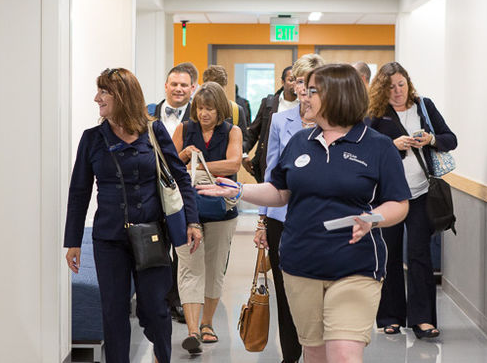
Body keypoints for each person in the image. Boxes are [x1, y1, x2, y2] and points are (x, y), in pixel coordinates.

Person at [198, 64, 411, 363]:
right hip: (301, 264)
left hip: (355, 265)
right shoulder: (301, 141)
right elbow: (280, 192)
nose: (303, 96)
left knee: (344, 355)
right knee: (314, 353)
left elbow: (399, 203)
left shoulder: (377, 146)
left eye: (312, 91)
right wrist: (239, 190)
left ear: (338, 96)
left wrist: (372, 218)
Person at [64, 68, 202, 363]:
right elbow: (79, 192)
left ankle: (162, 357)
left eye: (104, 92)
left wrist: (192, 221)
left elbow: (179, 177)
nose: (96, 98)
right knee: (113, 312)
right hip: (109, 239)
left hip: (151, 234)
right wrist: (73, 241)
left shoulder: (154, 132)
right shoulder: (92, 139)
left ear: (123, 97)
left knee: (155, 310)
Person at [366, 61, 457, 339]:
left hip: (421, 193)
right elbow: (365, 148)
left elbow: (450, 139)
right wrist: (391, 146)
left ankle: (422, 319)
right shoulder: (376, 115)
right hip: (390, 196)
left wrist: (430, 139)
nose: (397, 91)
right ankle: (390, 316)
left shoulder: (424, 107)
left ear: (409, 83)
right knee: (390, 255)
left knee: (419, 255)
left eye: (401, 84)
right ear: (382, 90)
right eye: (391, 87)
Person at [252, 55, 323, 363]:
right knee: (285, 291)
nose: (304, 92)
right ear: (293, 85)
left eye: (312, 86)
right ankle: (291, 356)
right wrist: (262, 221)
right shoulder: (281, 120)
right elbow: (271, 172)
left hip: (322, 221)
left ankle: (318, 353)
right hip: (283, 219)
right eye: (300, 84)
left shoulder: (334, 124)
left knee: (319, 295)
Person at [172, 82, 243, 354]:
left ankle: (207, 324)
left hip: (221, 211)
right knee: (189, 267)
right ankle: (191, 330)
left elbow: (233, 164)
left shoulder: (232, 131)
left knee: (214, 269)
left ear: (220, 109)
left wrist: (194, 165)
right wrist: (183, 155)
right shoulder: (184, 129)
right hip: (187, 209)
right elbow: (168, 164)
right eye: (200, 108)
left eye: (210, 109)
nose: (204, 114)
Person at [147, 63, 198, 323]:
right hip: (151, 191)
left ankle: (178, 300)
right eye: (174, 84)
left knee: (182, 246)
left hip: (184, 190)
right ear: (166, 86)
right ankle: (159, 299)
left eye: (183, 85)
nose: (178, 89)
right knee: (155, 246)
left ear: (193, 88)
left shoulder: (199, 118)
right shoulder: (146, 115)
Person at [242, 65, 298, 182]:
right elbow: (253, 132)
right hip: (270, 162)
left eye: (299, 81)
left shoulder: (305, 105)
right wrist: (243, 154)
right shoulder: (269, 104)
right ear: (282, 82)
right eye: (291, 80)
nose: (295, 84)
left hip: (296, 161)